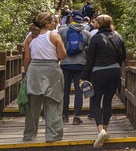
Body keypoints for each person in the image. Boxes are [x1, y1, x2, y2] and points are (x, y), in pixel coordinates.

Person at [81, 14, 126, 148]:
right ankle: (105, 129)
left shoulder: (95, 38)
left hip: (99, 72)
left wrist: (83, 77)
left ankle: (100, 130)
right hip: (114, 72)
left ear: (99, 24)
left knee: (95, 101)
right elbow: (123, 56)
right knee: (107, 101)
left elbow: (90, 60)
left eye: (96, 22)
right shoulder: (118, 37)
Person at [22, 11, 67, 142]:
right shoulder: (54, 36)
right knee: (54, 102)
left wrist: (26, 72)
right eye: (52, 21)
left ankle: (29, 135)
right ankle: (53, 135)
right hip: (52, 70)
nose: (55, 23)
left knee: (32, 105)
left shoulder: (29, 37)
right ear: (46, 24)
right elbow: (62, 56)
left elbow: (27, 57)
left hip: (34, 70)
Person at [58, 11, 90, 124]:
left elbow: (58, 46)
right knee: (79, 91)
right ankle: (76, 117)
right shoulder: (86, 33)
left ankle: (64, 116)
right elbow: (89, 50)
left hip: (65, 64)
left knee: (65, 90)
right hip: (81, 64)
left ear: (71, 18)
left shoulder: (62, 31)